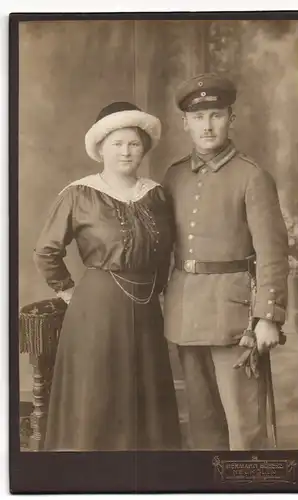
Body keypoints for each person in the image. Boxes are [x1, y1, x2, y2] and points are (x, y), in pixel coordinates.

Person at [34, 101, 181, 451]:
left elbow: (166, 252)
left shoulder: (156, 194)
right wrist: (70, 292)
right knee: (98, 393)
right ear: (100, 149)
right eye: (117, 144)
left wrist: (157, 289)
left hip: (146, 308)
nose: (126, 151)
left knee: (145, 392)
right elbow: (46, 251)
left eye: (133, 143)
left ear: (144, 148)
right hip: (96, 308)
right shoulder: (79, 194)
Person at [163, 73, 289, 451]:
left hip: (236, 317)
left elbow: (273, 252)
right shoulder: (173, 176)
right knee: (203, 426)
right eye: (198, 118)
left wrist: (268, 316)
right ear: (185, 123)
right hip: (185, 313)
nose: (207, 125)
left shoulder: (252, 176)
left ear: (231, 118)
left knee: (244, 428)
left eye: (216, 115)